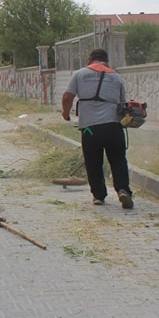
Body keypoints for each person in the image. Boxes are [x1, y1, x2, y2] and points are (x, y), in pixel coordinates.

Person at [61, 48, 134, 209]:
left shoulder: (80, 74)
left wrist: (66, 114)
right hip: (114, 127)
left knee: (93, 161)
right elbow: (122, 105)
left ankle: (99, 195)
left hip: (90, 129)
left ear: (90, 60)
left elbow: (67, 97)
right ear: (106, 62)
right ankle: (123, 190)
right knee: (118, 159)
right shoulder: (116, 77)